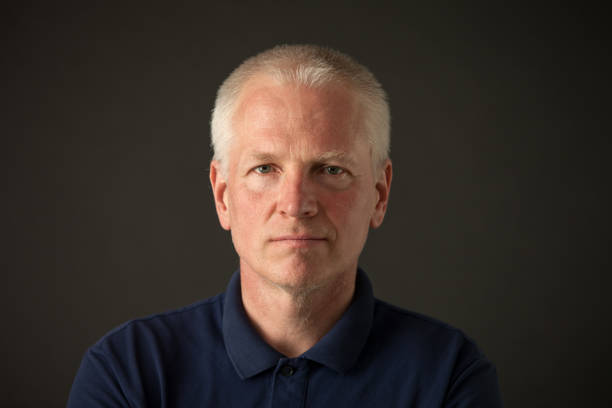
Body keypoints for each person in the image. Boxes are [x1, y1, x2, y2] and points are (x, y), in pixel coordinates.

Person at [67, 44, 502, 407]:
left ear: (379, 194)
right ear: (222, 196)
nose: (295, 205)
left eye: (331, 170)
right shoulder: (129, 373)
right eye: (264, 169)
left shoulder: (448, 375)